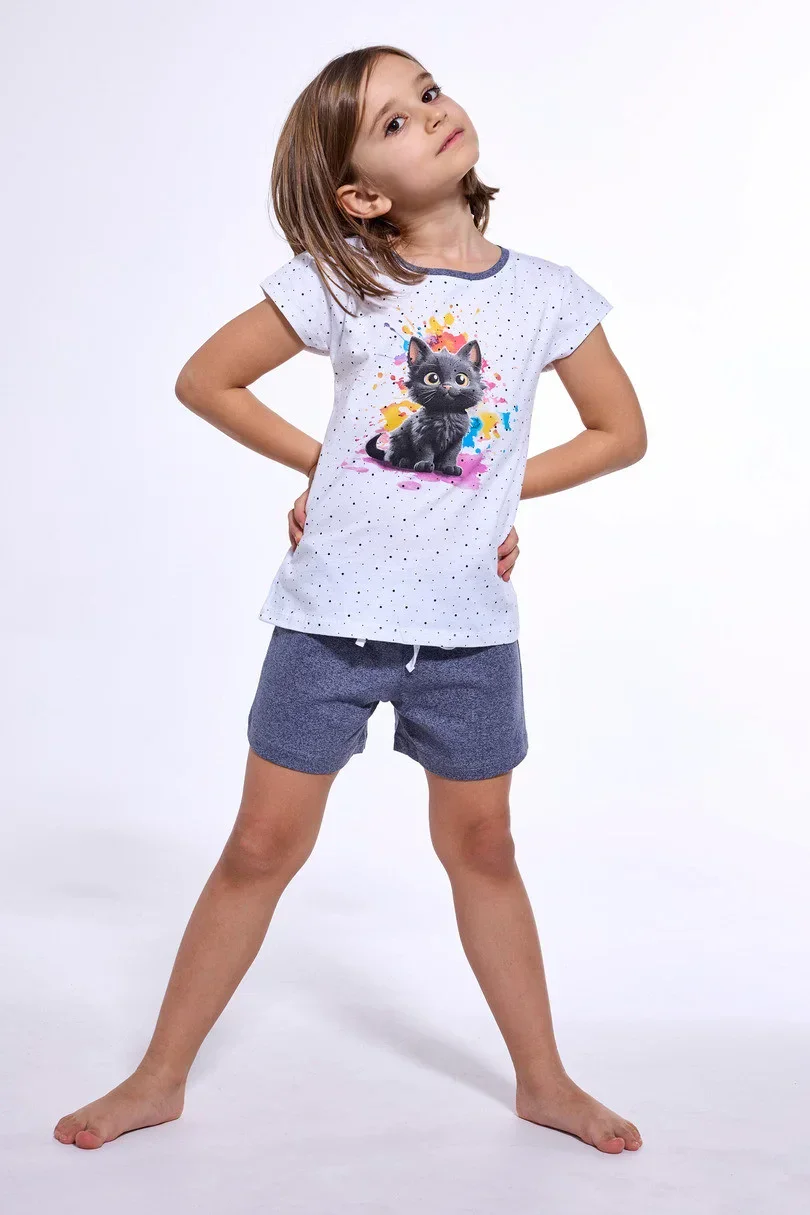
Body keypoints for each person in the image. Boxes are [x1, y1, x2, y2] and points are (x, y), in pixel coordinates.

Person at [54, 44, 647, 1154]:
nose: (432, 112)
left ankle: (545, 1080)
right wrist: (321, 468)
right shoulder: (343, 282)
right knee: (259, 847)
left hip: (468, 636)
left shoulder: (550, 295)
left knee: (485, 851)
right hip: (326, 624)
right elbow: (206, 379)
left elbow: (621, 432)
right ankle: (158, 1076)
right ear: (361, 194)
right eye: (394, 120)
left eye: (427, 91)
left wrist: (498, 484)